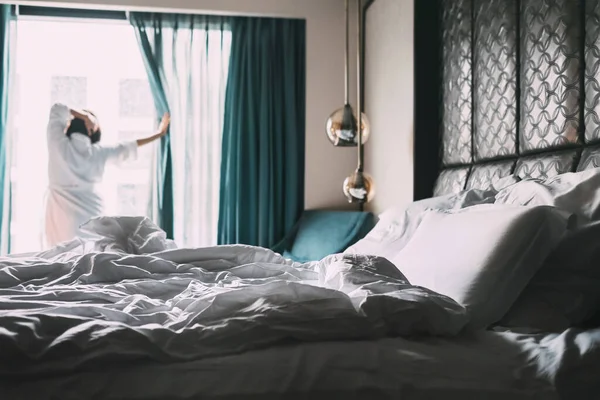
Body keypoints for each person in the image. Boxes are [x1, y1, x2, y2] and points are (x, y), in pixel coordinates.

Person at [43, 103, 170, 248]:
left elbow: (57, 108)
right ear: (93, 131)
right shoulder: (99, 153)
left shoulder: (57, 144)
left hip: (60, 216)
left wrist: (83, 116)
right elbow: (129, 146)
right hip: (91, 215)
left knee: (60, 257)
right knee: (90, 256)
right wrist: (159, 134)